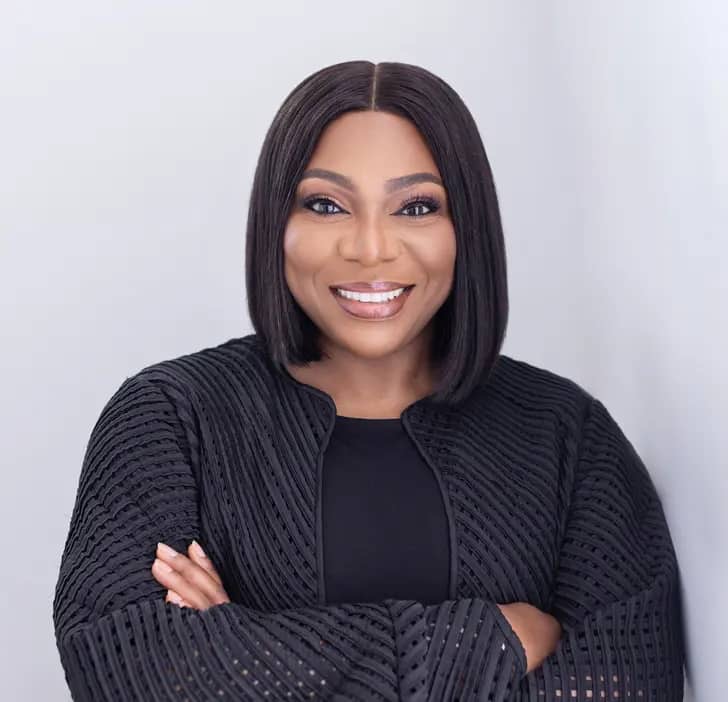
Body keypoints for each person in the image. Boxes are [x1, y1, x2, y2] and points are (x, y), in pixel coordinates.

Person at [52, 60, 686, 701]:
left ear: (466, 227)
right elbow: (124, 665)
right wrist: (495, 640)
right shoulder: (168, 418)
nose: (371, 248)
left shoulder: (567, 435)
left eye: (416, 206)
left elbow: (628, 684)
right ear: (277, 223)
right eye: (326, 205)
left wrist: (245, 652)